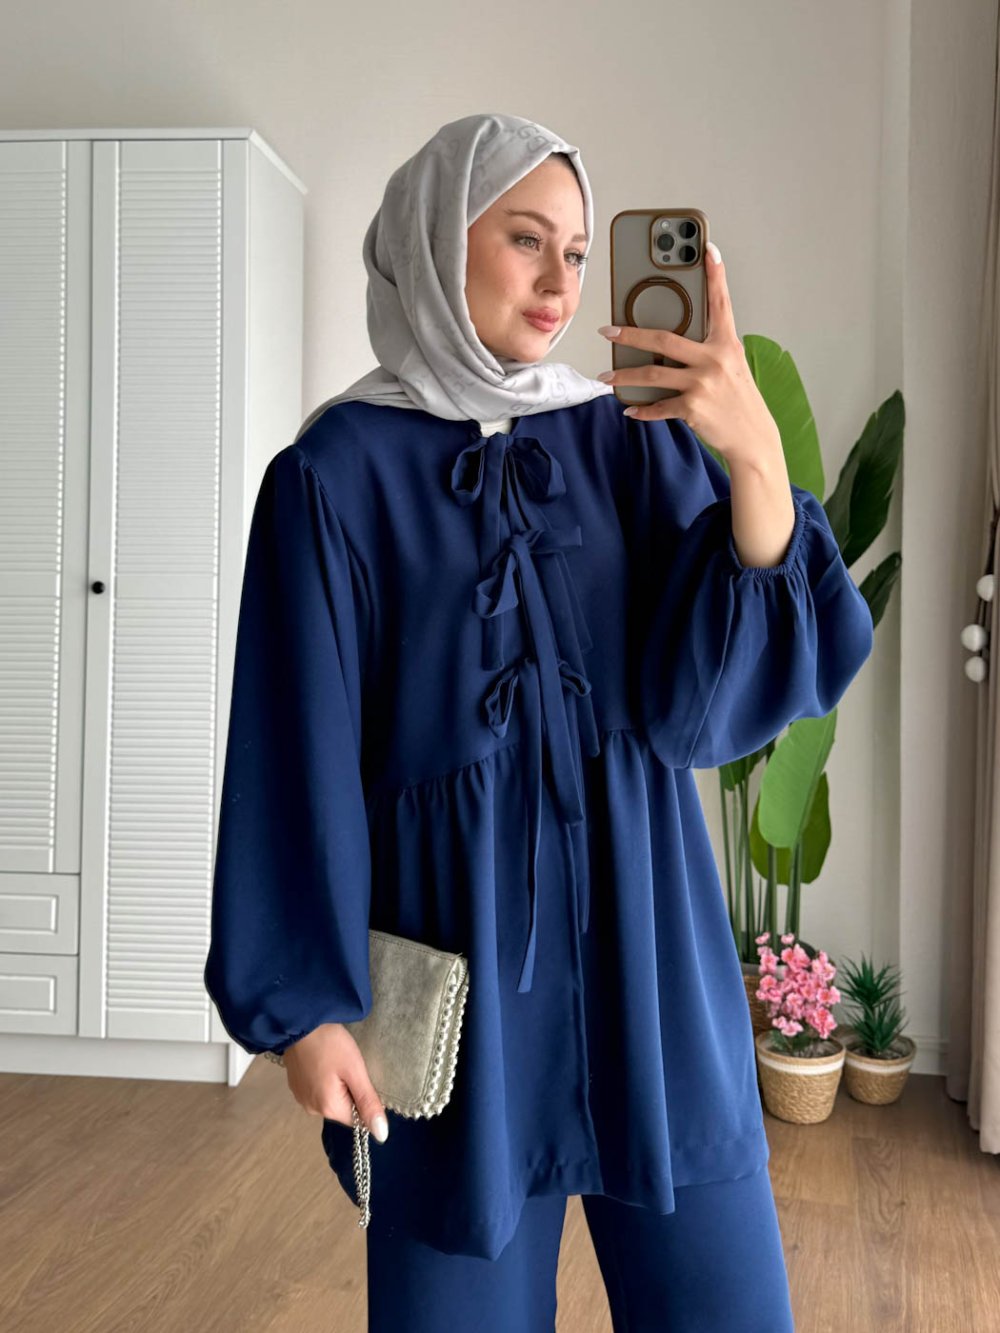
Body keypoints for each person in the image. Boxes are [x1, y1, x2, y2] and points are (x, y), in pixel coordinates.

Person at [204, 111, 874, 1331]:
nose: (561, 282)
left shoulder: (629, 438)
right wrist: (303, 1008)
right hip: (457, 990)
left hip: (654, 961)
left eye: (574, 250)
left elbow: (703, 714)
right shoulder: (332, 474)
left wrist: (753, 458)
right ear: (434, 237)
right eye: (525, 240)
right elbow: (293, 751)